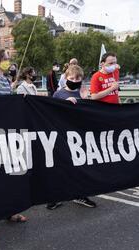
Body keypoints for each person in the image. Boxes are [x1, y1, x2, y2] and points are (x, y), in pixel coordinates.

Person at [0, 49, 28, 224]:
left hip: (7, 130)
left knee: (9, 172)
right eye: (6, 59)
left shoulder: (6, 80)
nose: (8, 62)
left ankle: (10, 211)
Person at [48, 65, 97, 209]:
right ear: (66, 78)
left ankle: (79, 194)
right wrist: (65, 103)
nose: (75, 80)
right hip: (63, 135)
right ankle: (55, 196)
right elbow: (51, 113)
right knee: (61, 167)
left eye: (78, 78)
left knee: (80, 166)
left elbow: (89, 111)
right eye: (72, 78)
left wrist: (86, 98)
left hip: (80, 135)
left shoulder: (82, 92)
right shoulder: (59, 94)